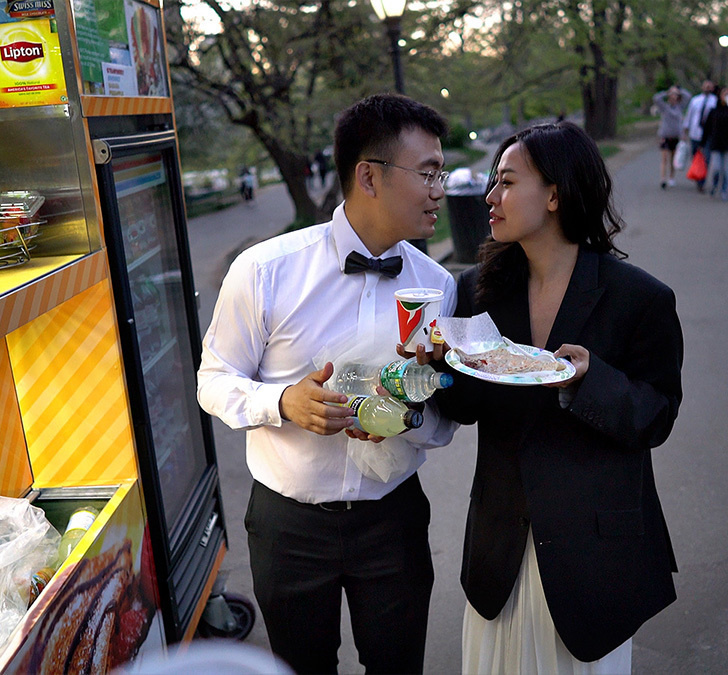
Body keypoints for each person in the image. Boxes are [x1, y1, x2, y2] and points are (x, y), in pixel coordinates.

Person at [196, 93, 458, 674]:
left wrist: (408, 418)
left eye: (441, 172)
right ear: (369, 175)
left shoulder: (438, 286)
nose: (440, 188)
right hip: (290, 524)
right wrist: (282, 401)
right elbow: (212, 381)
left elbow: (442, 415)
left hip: (392, 518)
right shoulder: (265, 270)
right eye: (429, 172)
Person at [432, 121, 683, 674]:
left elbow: (657, 417)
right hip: (498, 546)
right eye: (492, 182)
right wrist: (439, 367)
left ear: (554, 194)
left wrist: (587, 382)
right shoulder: (479, 289)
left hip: (592, 552)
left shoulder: (639, 298)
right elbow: (464, 407)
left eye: (506, 181)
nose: (490, 197)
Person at [702, 86, 728, 201]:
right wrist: (703, 143)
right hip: (716, 143)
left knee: (726, 170)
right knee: (717, 168)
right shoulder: (714, 110)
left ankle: (724, 190)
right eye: (724, 94)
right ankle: (714, 184)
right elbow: (707, 127)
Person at [682, 81, 719, 192]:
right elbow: (689, 115)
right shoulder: (695, 100)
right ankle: (697, 174)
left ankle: (702, 181)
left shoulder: (715, 101)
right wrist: (685, 130)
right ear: (702, 87)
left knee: (706, 157)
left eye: (709, 86)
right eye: (705, 86)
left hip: (708, 134)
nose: (707, 87)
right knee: (695, 156)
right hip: (695, 133)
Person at [652, 85, 691, 189]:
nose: (673, 97)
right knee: (664, 158)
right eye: (672, 95)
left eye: (675, 95)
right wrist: (667, 92)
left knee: (673, 159)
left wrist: (679, 91)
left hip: (676, 136)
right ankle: (663, 179)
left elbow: (688, 96)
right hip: (665, 136)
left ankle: (671, 178)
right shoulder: (664, 107)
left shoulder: (680, 107)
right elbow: (656, 98)